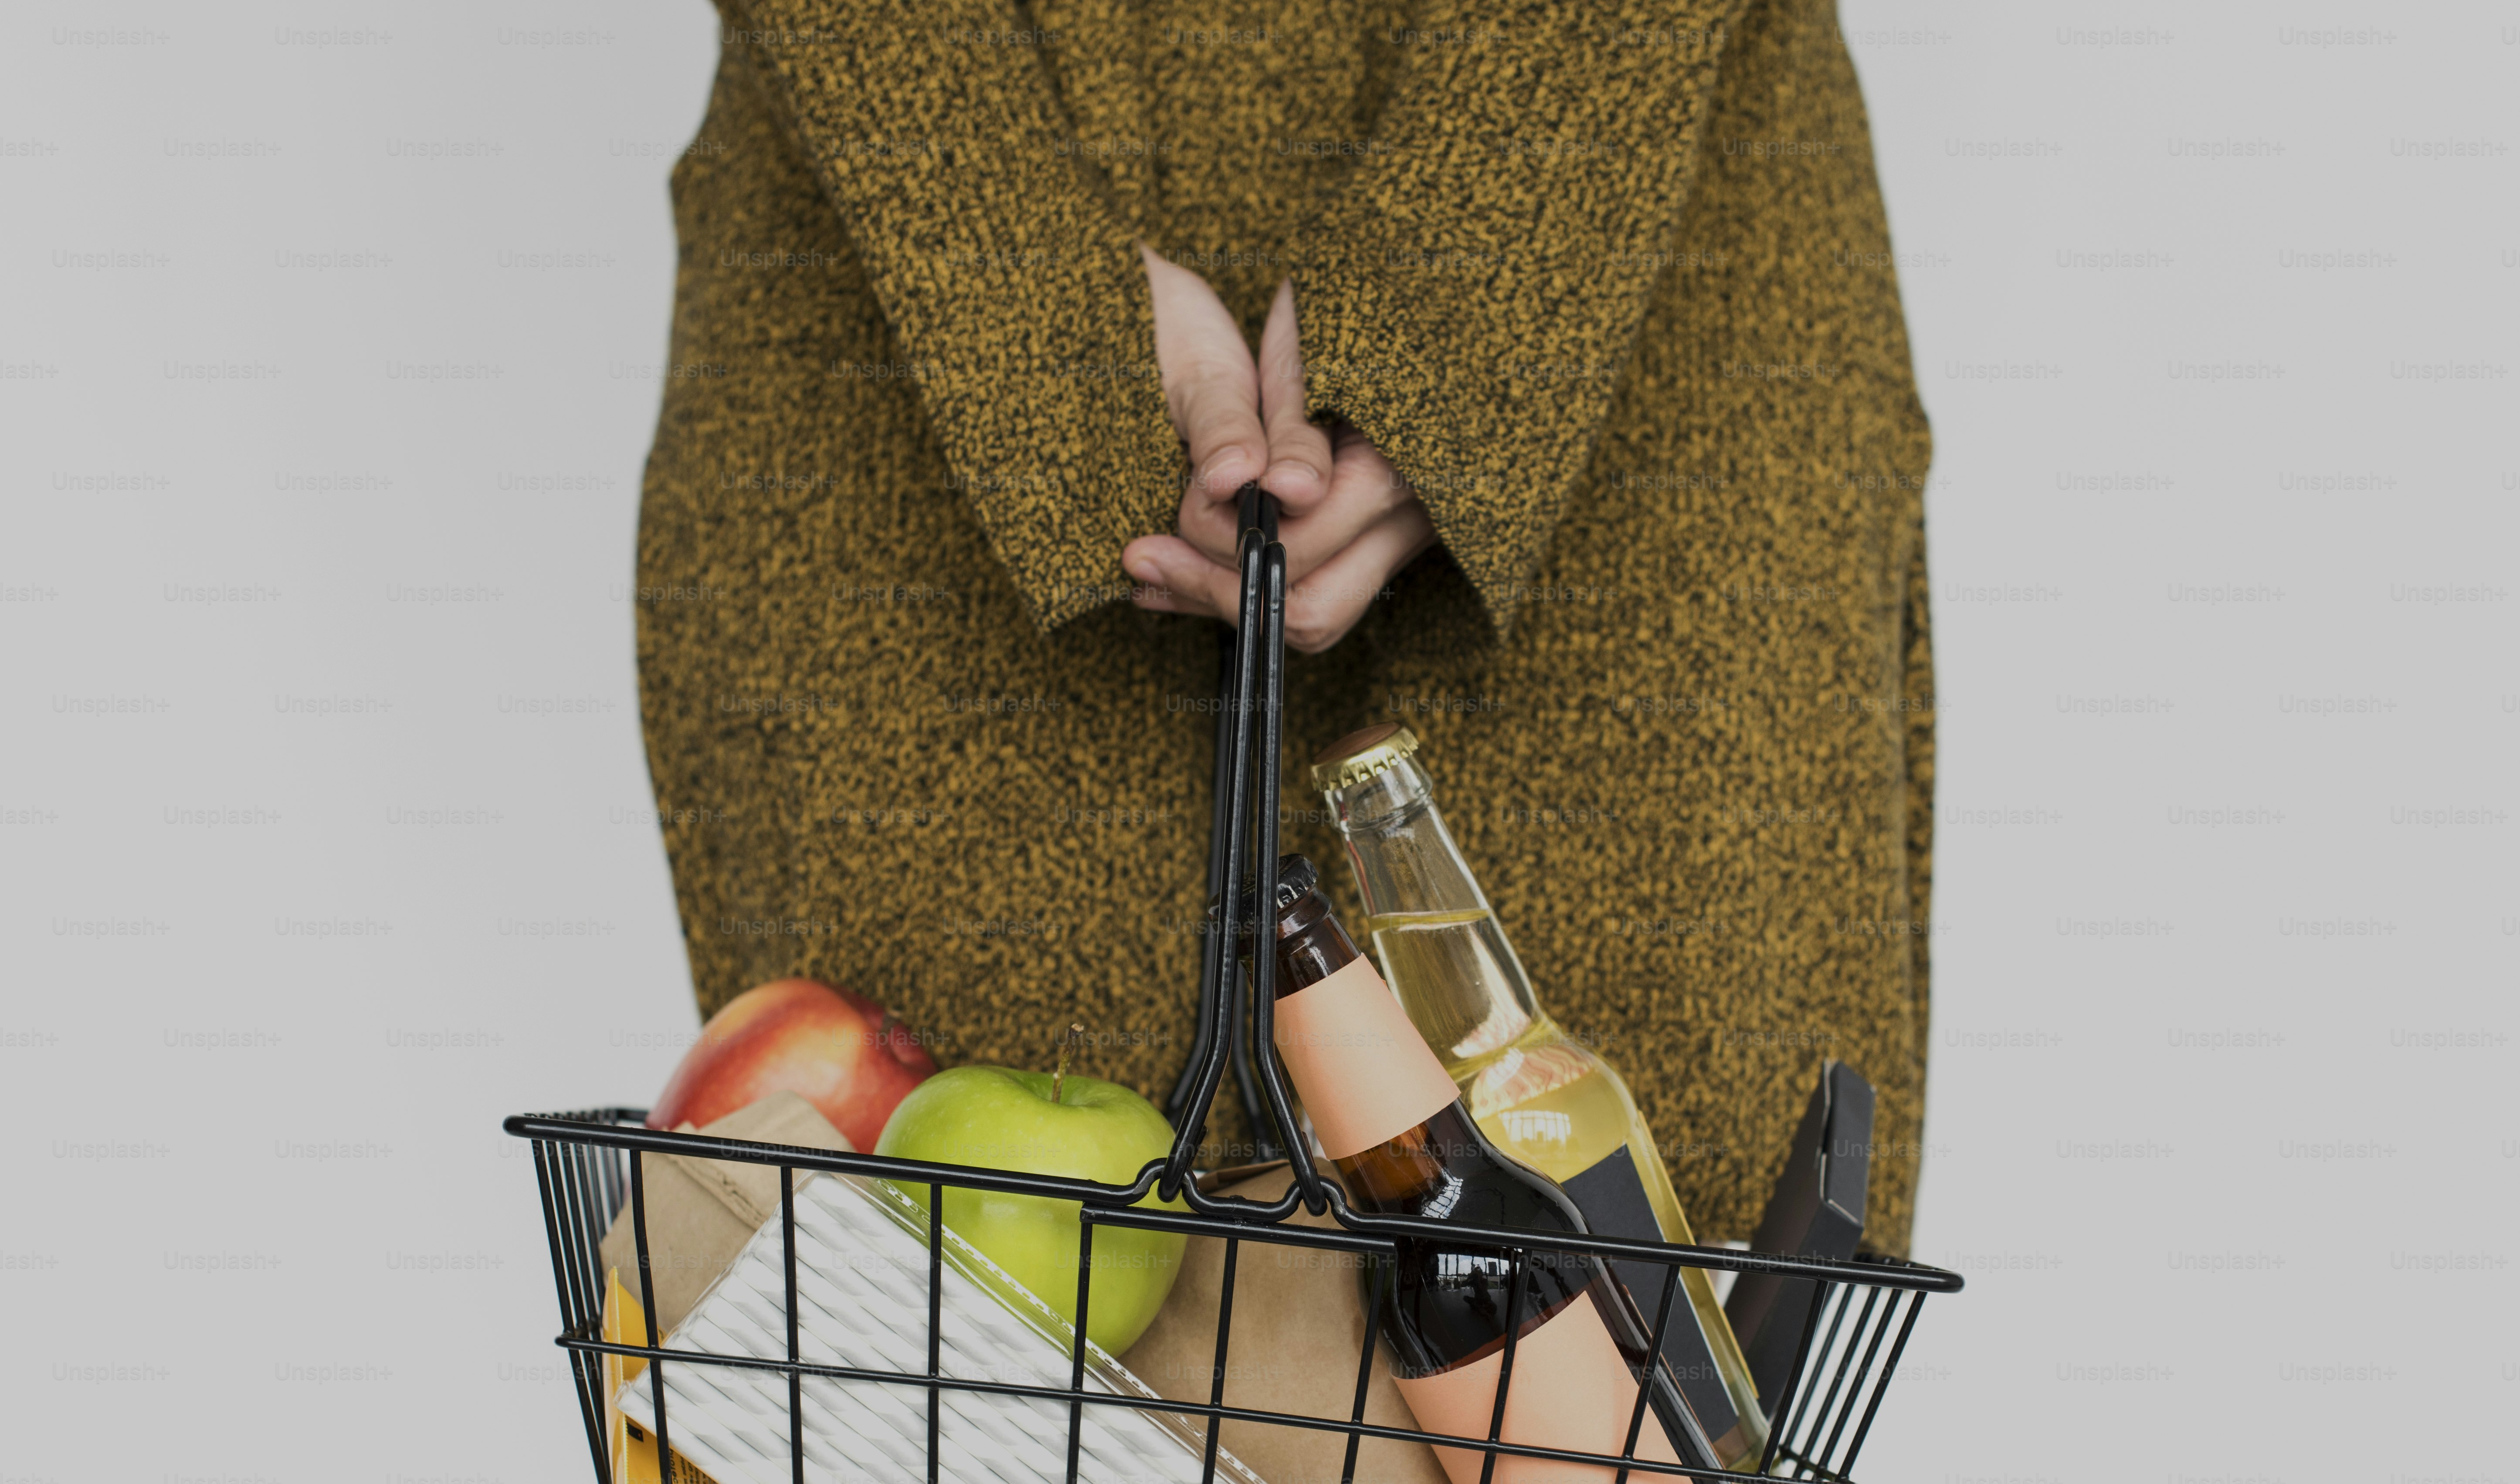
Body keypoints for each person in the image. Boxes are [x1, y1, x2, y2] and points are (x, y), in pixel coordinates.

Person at [634, 0, 1936, 1253]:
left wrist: (1467, 300)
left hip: (1638, 298)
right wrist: (1016, 279)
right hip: (911, 353)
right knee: (914, 1331)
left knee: (1650, 1316)